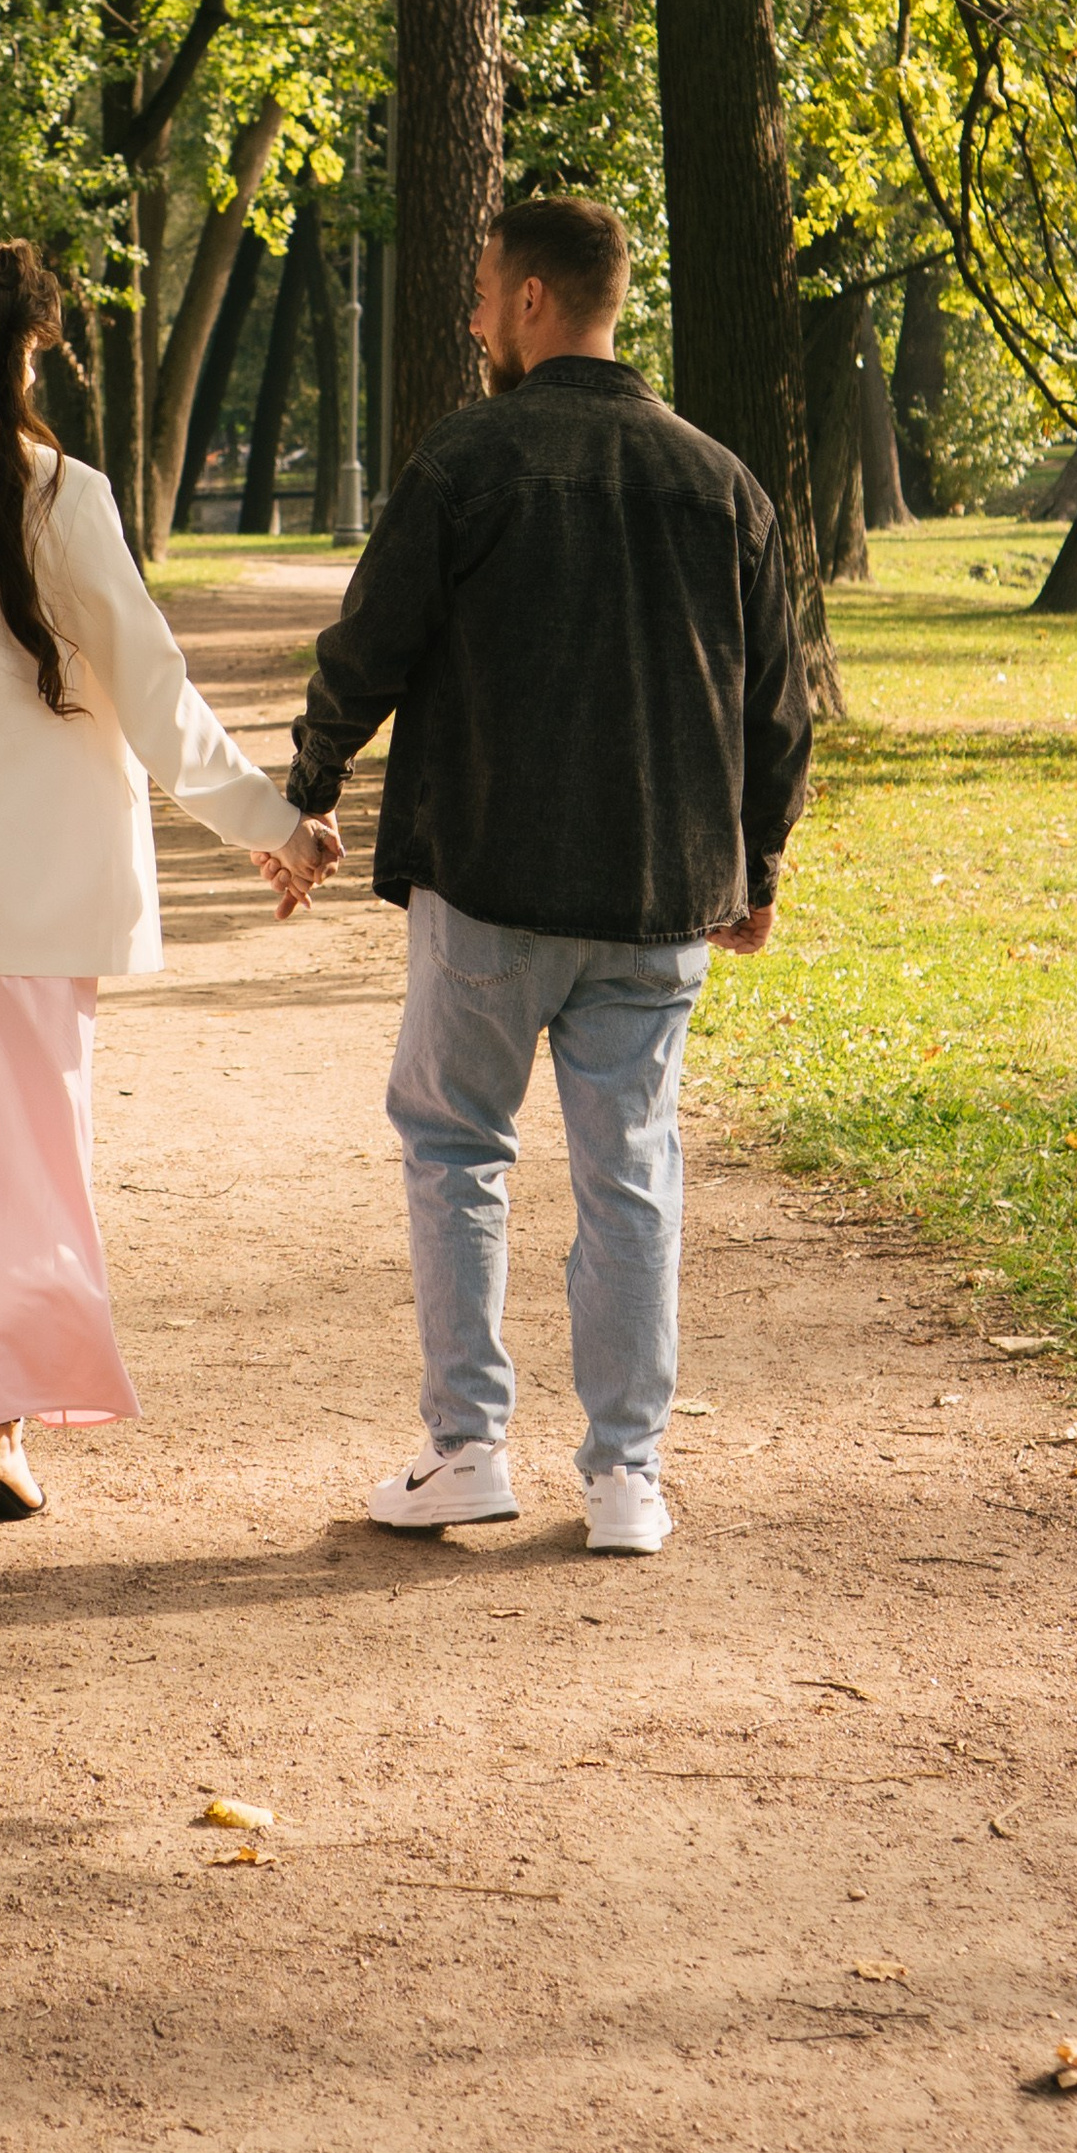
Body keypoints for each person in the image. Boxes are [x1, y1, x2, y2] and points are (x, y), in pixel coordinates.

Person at [271, 196, 812, 1554]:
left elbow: (368, 647)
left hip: (491, 880)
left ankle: (467, 1451)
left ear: (528, 300)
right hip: (657, 893)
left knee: (458, 1150)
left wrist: (312, 787)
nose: (467, 317)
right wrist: (757, 858)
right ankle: (627, 1479)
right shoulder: (719, 479)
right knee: (632, 1171)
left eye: (477, 292)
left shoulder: (468, 460)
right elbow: (780, 699)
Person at [0, 237, 329, 1532]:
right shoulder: (54, 495)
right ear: (7, 355)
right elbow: (155, 697)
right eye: (35, 353)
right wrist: (274, 822)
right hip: (22, 898)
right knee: (25, 1169)